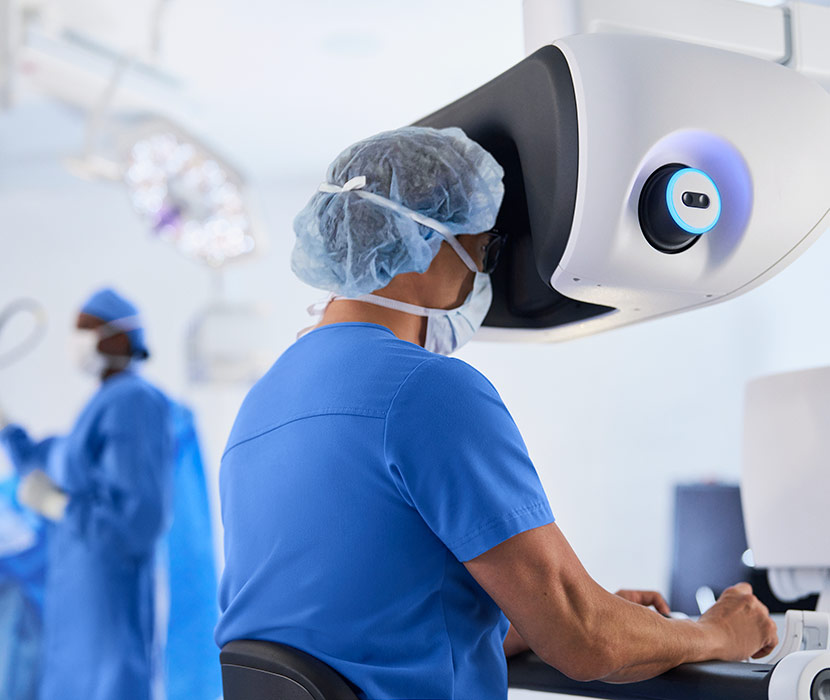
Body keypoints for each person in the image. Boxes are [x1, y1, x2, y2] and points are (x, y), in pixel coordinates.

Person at [215, 127, 778, 699]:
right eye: (482, 251)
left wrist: (545, 616)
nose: (479, 277)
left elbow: (354, 625)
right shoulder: (426, 391)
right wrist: (715, 633)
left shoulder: (263, 402)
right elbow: (584, 639)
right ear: (425, 241)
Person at [0, 288, 175, 700]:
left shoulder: (133, 401)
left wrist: (59, 506)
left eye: (85, 329)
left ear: (118, 338)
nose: (75, 340)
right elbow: (55, 463)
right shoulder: (102, 404)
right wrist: (8, 429)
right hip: (81, 600)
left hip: (108, 601)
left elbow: (139, 522)